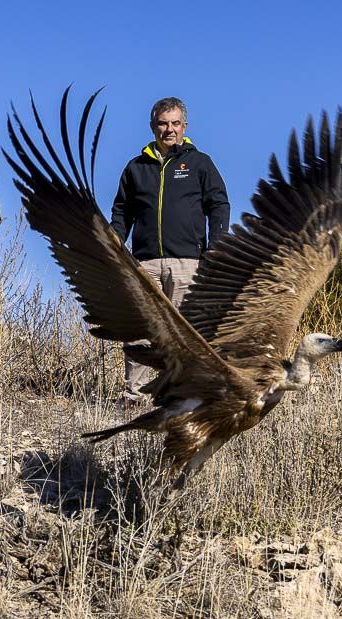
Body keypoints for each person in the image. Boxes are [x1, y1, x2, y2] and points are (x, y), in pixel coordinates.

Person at [110, 96, 230, 403]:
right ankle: (134, 395)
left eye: (175, 123)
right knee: (139, 329)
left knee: (185, 333)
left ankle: (181, 395)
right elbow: (122, 211)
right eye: (163, 123)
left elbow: (218, 204)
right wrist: (114, 243)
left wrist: (215, 247)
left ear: (185, 126)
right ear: (153, 127)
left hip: (188, 263)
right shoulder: (136, 168)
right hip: (144, 263)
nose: (169, 130)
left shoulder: (200, 163)